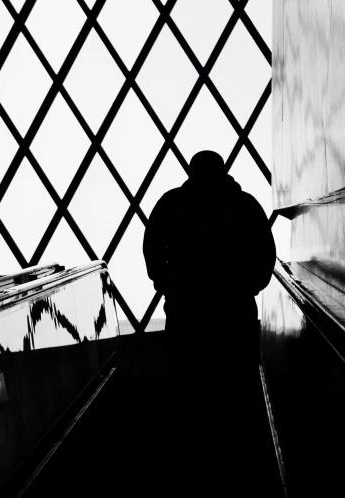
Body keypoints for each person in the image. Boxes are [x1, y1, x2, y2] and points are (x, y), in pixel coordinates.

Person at [142, 150, 276, 494]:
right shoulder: (245, 206)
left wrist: (169, 284)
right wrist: (246, 285)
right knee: (236, 398)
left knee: (191, 396)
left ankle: (193, 467)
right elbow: (265, 255)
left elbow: (152, 250)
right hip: (235, 316)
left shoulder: (171, 204)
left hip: (188, 317)